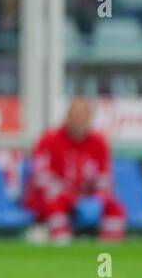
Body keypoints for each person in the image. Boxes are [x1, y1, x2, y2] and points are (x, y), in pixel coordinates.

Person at [24, 97, 126, 243]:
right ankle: (63, 246)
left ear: (90, 118)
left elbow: (105, 177)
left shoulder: (98, 142)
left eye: (83, 116)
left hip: (86, 196)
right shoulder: (49, 139)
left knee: (114, 207)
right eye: (75, 116)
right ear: (67, 117)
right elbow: (40, 176)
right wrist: (68, 195)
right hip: (56, 197)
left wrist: (98, 196)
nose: (79, 121)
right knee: (55, 204)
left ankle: (108, 251)